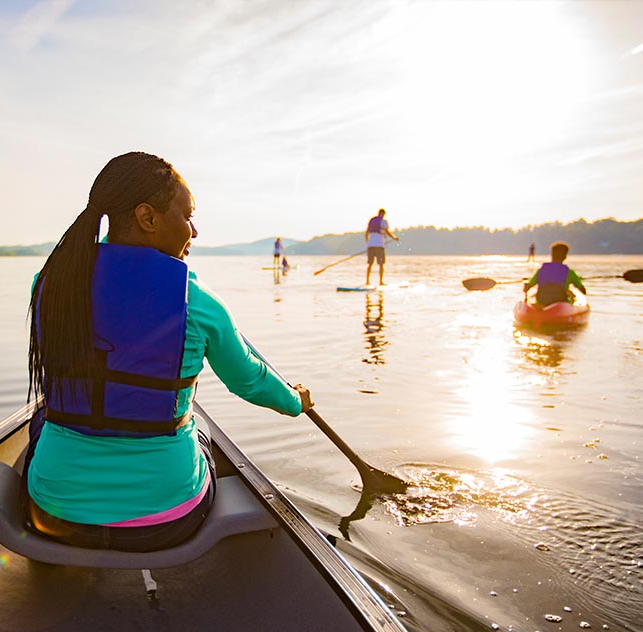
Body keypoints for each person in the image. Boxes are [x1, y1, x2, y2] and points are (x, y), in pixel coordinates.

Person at [25, 152, 313, 552]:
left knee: (41, 419)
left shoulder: (49, 285)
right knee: (198, 426)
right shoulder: (198, 302)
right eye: (188, 215)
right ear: (148, 218)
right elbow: (250, 380)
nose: (193, 231)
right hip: (166, 522)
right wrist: (296, 402)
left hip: (54, 516)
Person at [523, 241, 586, 306]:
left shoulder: (541, 271)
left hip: (542, 301)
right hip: (561, 302)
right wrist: (577, 280)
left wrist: (526, 285)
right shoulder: (570, 273)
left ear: (552, 255)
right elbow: (583, 291)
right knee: (571, 295)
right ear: (565, 256)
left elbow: (527, 288)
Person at [364, 208, 399, 286]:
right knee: (381, 264)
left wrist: (368, 242)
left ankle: (367, 281)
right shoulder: (384, 222)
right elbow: (387, 232)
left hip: (370, 246)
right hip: (379, 245)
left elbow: (366, 233)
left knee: (370, 264)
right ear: (383, 214)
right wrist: (394, 237)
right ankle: (380, 282)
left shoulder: (372, 221)